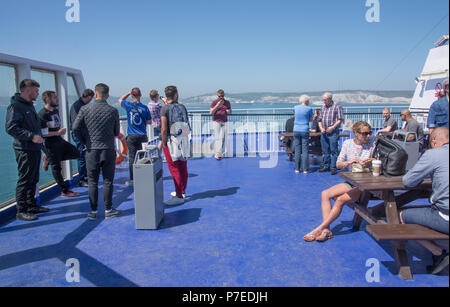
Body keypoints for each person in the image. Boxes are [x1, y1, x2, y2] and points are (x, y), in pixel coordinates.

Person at [304, 121, 376, 242]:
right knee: (325, 194)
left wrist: (372, 161)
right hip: (352, 182)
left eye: (370, 133)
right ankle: (326, 230)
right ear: (356, 133)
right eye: (365, 133)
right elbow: (338, 164)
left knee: (341, 199)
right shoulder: (347, 144)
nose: (368, 136)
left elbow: (381, 160)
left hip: (364, 184)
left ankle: (319, 229)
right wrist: (349, 162)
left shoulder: (372, 144)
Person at [400, 127, 449, 275]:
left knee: (401, 215)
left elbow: (408, 181)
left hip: (445, 217)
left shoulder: (433, 154)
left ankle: (438, 252)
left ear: (433, 140)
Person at [73, 83, 122, 220]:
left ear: (95, 94)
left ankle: (93, 211)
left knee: (93, 181)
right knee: (108, 181)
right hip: (108, 149)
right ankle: (108, 209)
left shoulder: (84, 109)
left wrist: (84, 141)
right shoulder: (113, 111)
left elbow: (75, 128)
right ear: (107, 95)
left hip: (91, 150)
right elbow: (117, 132)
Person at [5, 79, 50, 221]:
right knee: (25, 179)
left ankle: (31, 205)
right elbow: (11, 127)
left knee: (33, 178)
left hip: (34, 148)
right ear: (28, 89)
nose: (38, 93)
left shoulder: (29, 106)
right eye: (36, 90)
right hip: (24, 149)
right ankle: (22, 210)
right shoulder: (16, 106)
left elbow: (35, 127)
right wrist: (31, 137)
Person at [39, 91, 80, 198]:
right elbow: (43, 133)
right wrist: (57, 132)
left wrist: (58, 133)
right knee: (56, 167)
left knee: (76, 153)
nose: (57, 99)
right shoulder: (43, 114)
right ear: (48, 100)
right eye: (54, 97)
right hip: (50, 143)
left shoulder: (55, 111)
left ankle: (49, 157)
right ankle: (65, 191)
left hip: (59, 140)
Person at [161, 86, 190, 206]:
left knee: (174, 167)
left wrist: (163, 143)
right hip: (183, 139)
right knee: (183, 166)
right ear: (176, 95)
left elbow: (163, 128)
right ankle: (182, 191)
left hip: (171, 141)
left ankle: (178, 196)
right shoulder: (182, 107)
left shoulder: (165, 109)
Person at [119, 88, 152, 186]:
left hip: (132, 136)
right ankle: (143, 178)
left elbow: (120, 99)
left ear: (132, 96)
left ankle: (133, 179)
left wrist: (128, 93)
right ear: (140, 95)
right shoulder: (145, 108)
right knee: (143, 157)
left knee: (132, 158)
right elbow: (149, 122)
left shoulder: (128, 105)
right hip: (142, 136)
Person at [69, 89, 94, 187]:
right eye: (90, 99)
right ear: (89, 97)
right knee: (82, 157)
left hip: (83, 135)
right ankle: (82, 179)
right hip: (79, 136)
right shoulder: (78, 106)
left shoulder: (80, 105)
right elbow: (76, 126)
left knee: (85, 156)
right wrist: (81, 139)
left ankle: (86, 176)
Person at [318, 92, 344, 175]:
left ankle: (333, 167)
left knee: (333, 150)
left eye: (325, 100)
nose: (324, 101)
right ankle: (326, 166)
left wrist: (332, 127)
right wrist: (321, 128)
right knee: (325, 150)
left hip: (333, 132)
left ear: (330, 99)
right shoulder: (322, 107)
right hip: (324, 132)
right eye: (323, 100)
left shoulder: (337, 106)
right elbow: (319, 120)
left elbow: (340, 119)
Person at [293, 95, 313, 173]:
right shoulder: (309, 108)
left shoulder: (295, 107)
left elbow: (295, 116)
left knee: (297, 149)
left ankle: (297, 168)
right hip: (304, 129)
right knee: (305, 150)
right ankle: (305, 169)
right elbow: (311, 120)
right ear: (307, 101)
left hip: (296, 129)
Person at [210, 89, 232, 160]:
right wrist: (217, 105)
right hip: (216, 121)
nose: (221, 97)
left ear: (224, 95)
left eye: (222, 96)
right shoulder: (214, 102)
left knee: (222, 138)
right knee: (217, 138)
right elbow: (211, 112)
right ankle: (217, 154)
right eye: (219, 96)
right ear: (217, 95)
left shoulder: (227, 102)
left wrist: (228, 111)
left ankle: (220, 152)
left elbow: (230, 111)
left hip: (224, 121)